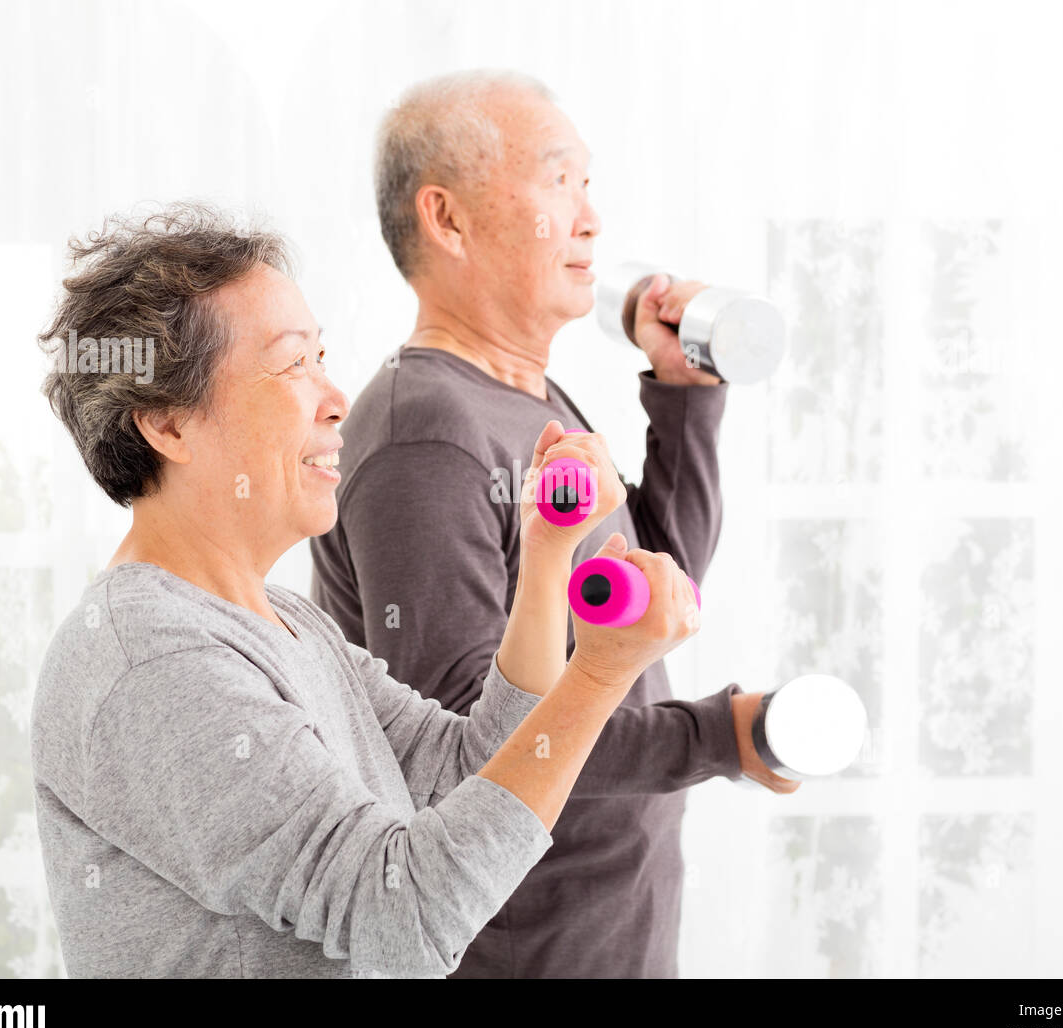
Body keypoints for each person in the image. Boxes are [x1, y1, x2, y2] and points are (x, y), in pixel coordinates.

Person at [30, 203, 699, 978]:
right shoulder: (153, 662)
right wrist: (601, 674)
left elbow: (468, 769)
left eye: (322, 356)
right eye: (291, 366)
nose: (337, 397)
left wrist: (545, 559)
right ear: (168, 425)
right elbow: (403, 916)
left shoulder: (284, 623)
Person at [311, 70, 799, 980]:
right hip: (515, 952)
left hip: (614, 928)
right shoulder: (425, 432)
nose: (589, 219)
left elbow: (659, 585)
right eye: (557, 180)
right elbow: (464, 742)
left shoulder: (528, 401)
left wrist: (685, 399)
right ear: (447, 220)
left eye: (587, 184)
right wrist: (715, 738)